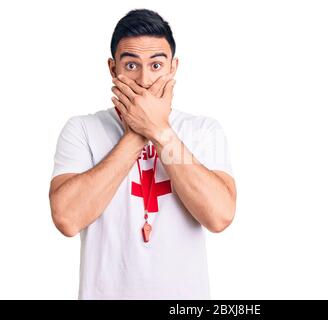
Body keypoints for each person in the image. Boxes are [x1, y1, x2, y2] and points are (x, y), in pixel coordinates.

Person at [49, 8, 236, 300]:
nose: (145, 79)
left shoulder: (203, 130)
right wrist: (137, 133)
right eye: (132, 65)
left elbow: (219, 216)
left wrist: (161, 132)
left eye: (157, 65)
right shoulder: (82, 129)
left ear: (174, 67)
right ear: (113, 69)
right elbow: (67, 219)